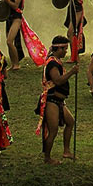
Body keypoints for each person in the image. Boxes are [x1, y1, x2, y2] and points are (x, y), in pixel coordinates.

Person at [37, 36, 79, 164]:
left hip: (59, 101)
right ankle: (47, 158)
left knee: (70, 122)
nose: (66, 51)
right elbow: (58, 80)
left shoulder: (56, 61)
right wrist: (71, 72)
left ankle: (66, 151)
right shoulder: (52, 63)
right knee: (53, 130)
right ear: (58, 48)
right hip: (51, 100)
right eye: (64, 49)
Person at [0, 0, 25, 70]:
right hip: (8, 17)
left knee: (10, 41)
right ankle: (13, 63)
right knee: (8, 41)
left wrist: (6, 0)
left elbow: (15, 6)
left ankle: (17, 64)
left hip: (16, 18)